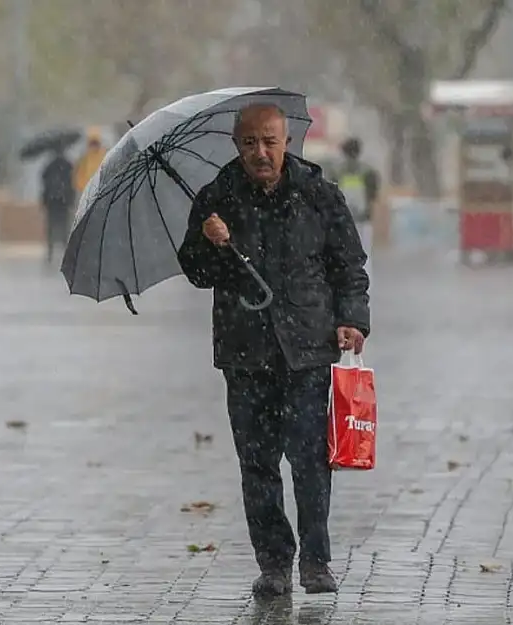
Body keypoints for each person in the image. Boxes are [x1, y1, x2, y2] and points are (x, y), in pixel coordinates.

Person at [177, 103, 370, 598]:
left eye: (269, 142)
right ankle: (274, 563)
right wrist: (210, 242)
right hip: (245, 353)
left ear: (287, 142)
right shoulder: (216, 199)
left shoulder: (320, 196)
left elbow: (348, 265)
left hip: (307, 349)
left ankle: (317, 560)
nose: (260, 153)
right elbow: (197, 272)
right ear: (237, 146)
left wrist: (351, 319)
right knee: (257, 463)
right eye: (249, 143)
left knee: (309, 460)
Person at [40, 147, 75, 265]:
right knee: (64, 225)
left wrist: (44, 200)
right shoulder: (68, 165)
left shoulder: (49, 166)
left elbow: (44, 183)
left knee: (52, 226)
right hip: (63, 201)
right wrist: (71, 199)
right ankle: (65, 251)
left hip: (52, 201)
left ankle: (51, 251)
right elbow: (71, 183)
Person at [72, 128, 107, 196]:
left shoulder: (105, 155)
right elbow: (79, 176)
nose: (94, 146)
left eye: (95, 143)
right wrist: (84, 188)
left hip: (101, 191)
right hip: (87, 192)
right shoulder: (84, 157)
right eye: (92, 143)